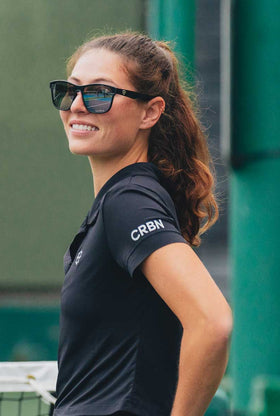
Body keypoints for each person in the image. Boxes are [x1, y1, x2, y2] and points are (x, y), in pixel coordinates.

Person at [49, 32, 232, 416]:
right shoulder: (121, 201)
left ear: (150, 112)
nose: (78, 106)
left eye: (100, 93)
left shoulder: (128, 203)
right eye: (71, 90)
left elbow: (212, 321)